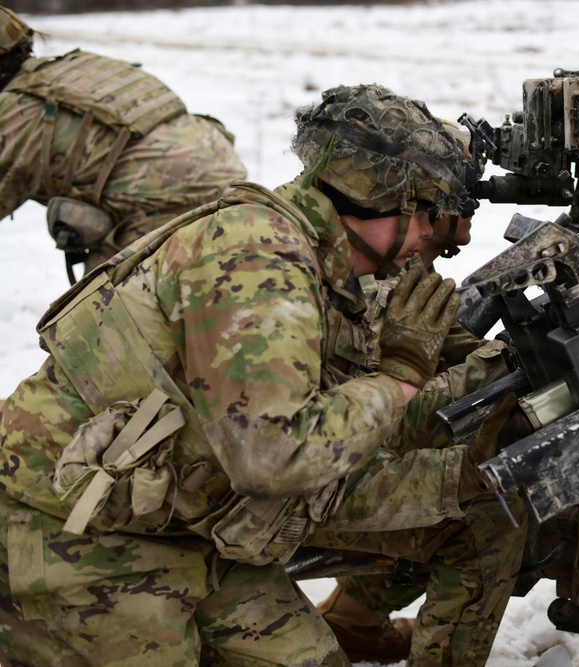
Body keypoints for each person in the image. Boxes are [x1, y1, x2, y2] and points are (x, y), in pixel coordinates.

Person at [0, 82, 526, 666]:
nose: (436, 235)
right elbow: (272, 457)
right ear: (382, 207)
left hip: (180, 520)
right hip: (71, 532)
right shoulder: (260, 262)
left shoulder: (315, 248)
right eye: (429, 215)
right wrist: (400, 379)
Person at [315, 120, 515, 663]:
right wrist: (510, 365)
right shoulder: (348, 265)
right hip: (288, 473)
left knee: (444, 478)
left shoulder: (382, 259)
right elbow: (387, 415)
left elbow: (446, 355)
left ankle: (352, 622)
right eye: (460, 202)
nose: (469, 229)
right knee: (480, 512)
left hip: (314, 459)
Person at [0, 6, 246, 282]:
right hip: (224, 172)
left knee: (105, 310)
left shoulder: (12, 111)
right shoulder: (74, 66)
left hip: (164, 196)